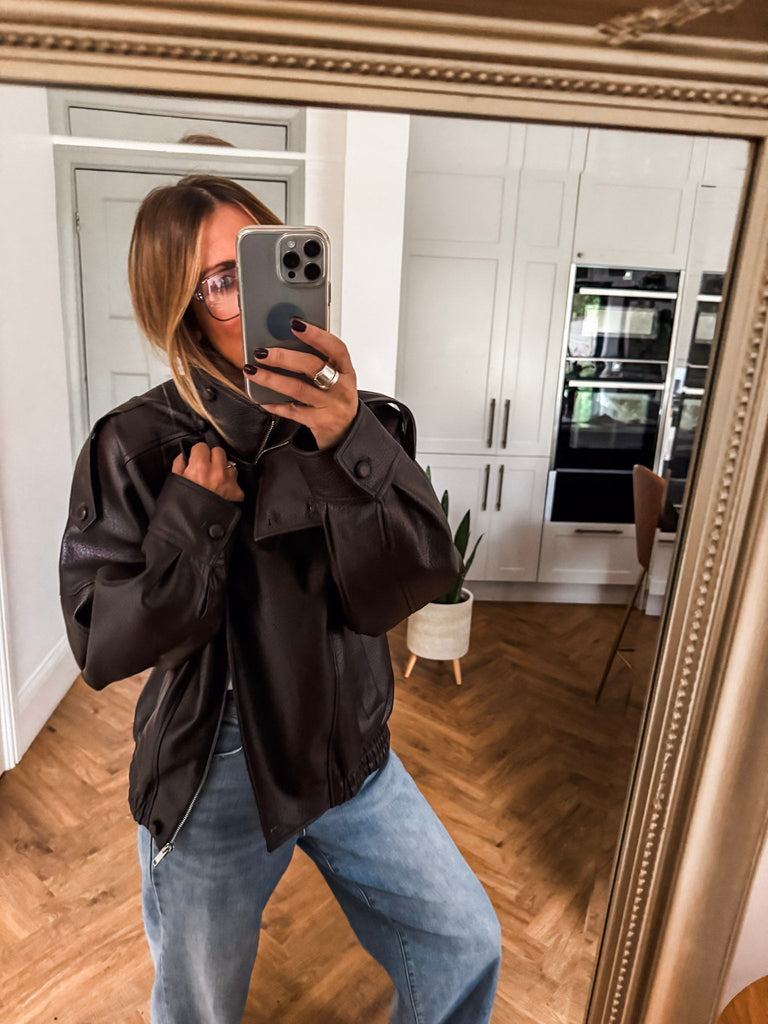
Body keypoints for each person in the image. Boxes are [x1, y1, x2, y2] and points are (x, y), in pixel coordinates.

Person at [59, 174, 501, 1024]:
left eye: (262, 260)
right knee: (200, 1008)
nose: (255, 294)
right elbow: (100, 646)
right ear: (180, 309)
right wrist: (193, 521)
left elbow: (413, 582)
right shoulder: (135, 445)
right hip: (215, 767)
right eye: (221, 280)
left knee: (465, 942)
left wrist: (350, 441)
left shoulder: (367, 420)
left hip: (350, 751)